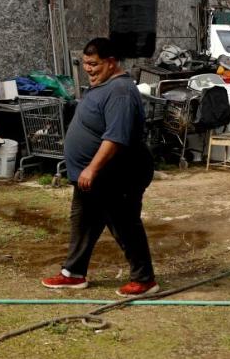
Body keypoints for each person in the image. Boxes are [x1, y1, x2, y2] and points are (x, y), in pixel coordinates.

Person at [42, 37, 158, 297]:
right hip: (93, 177)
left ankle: (144, 279)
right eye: (85, 63)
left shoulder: (121, 92)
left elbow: (116, 137)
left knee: (124, 223)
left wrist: (92, 168)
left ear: (111, 62)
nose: (89, 69)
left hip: (117, 174)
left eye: (93, 64)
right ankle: (73, 273)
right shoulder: (105, 86)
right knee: (83, 221)